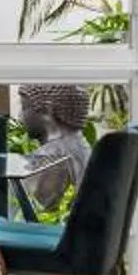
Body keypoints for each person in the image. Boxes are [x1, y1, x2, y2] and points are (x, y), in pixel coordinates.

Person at [16, 82, 92, 215]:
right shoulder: (81, 145)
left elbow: (25, 212)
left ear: (47, 111)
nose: (19, 116)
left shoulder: (51, 156)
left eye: (25, 107)